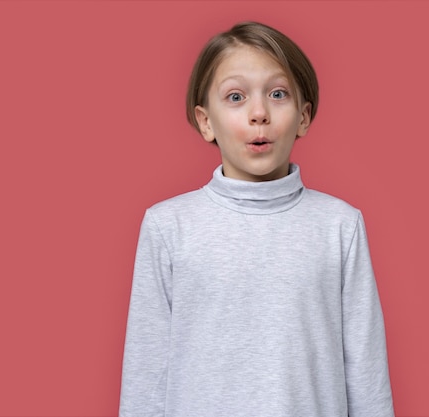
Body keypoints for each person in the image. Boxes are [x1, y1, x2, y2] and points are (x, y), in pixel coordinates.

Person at [119, 21, 395, 417]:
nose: (259, 113)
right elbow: (145, 377)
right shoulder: (168, 227)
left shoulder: (339, 226)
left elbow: (367, 374)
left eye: (278, 94)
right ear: (205, 121)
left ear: (303, 117)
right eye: (235, 96)